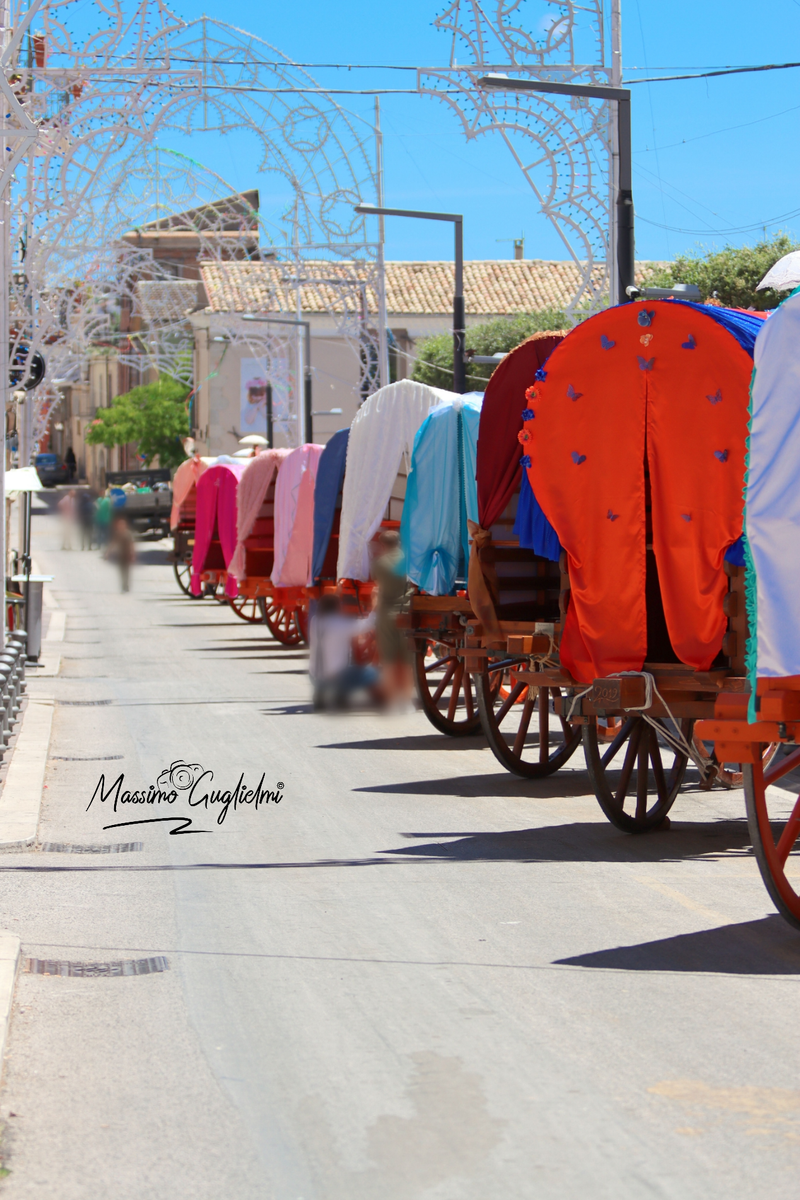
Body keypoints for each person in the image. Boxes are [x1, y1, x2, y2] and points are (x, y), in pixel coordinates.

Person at [309, 594, 380, 709]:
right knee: (372, 673)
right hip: (337, 675)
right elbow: (367, 625)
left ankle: (320, 692)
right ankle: (341, 694)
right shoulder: (340, 623)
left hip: (314, 674)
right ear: (337, 607)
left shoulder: (315, 621)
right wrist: (376, 607)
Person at [370, 529, 414, 707]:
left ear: (383, 545)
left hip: (386, 613)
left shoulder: (379, 564)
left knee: (388, 660)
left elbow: (377, 585)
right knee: (407, 661)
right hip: (406, 611)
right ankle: (406, 700)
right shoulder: (409, 561)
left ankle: (391, 700)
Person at [108, 514, 135, 592]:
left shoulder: (128, 534)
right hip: (120, 556)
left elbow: (132, 544)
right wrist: (108, 552)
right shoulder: (117, 534)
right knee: (121, 572)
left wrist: (133, 554)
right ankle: (123, 585)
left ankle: (126, 585)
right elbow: (113, 543)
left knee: (127, 571)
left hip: (127, 555)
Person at [95, 488, 112, 553]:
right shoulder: (98, 500)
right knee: (99, 533)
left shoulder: (108, 500)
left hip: (106, 519)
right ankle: (99, 545)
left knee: (106, 533)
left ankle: (106, 545)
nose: (102, 494)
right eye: (101, 492)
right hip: (99, 519)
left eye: (103, 492)